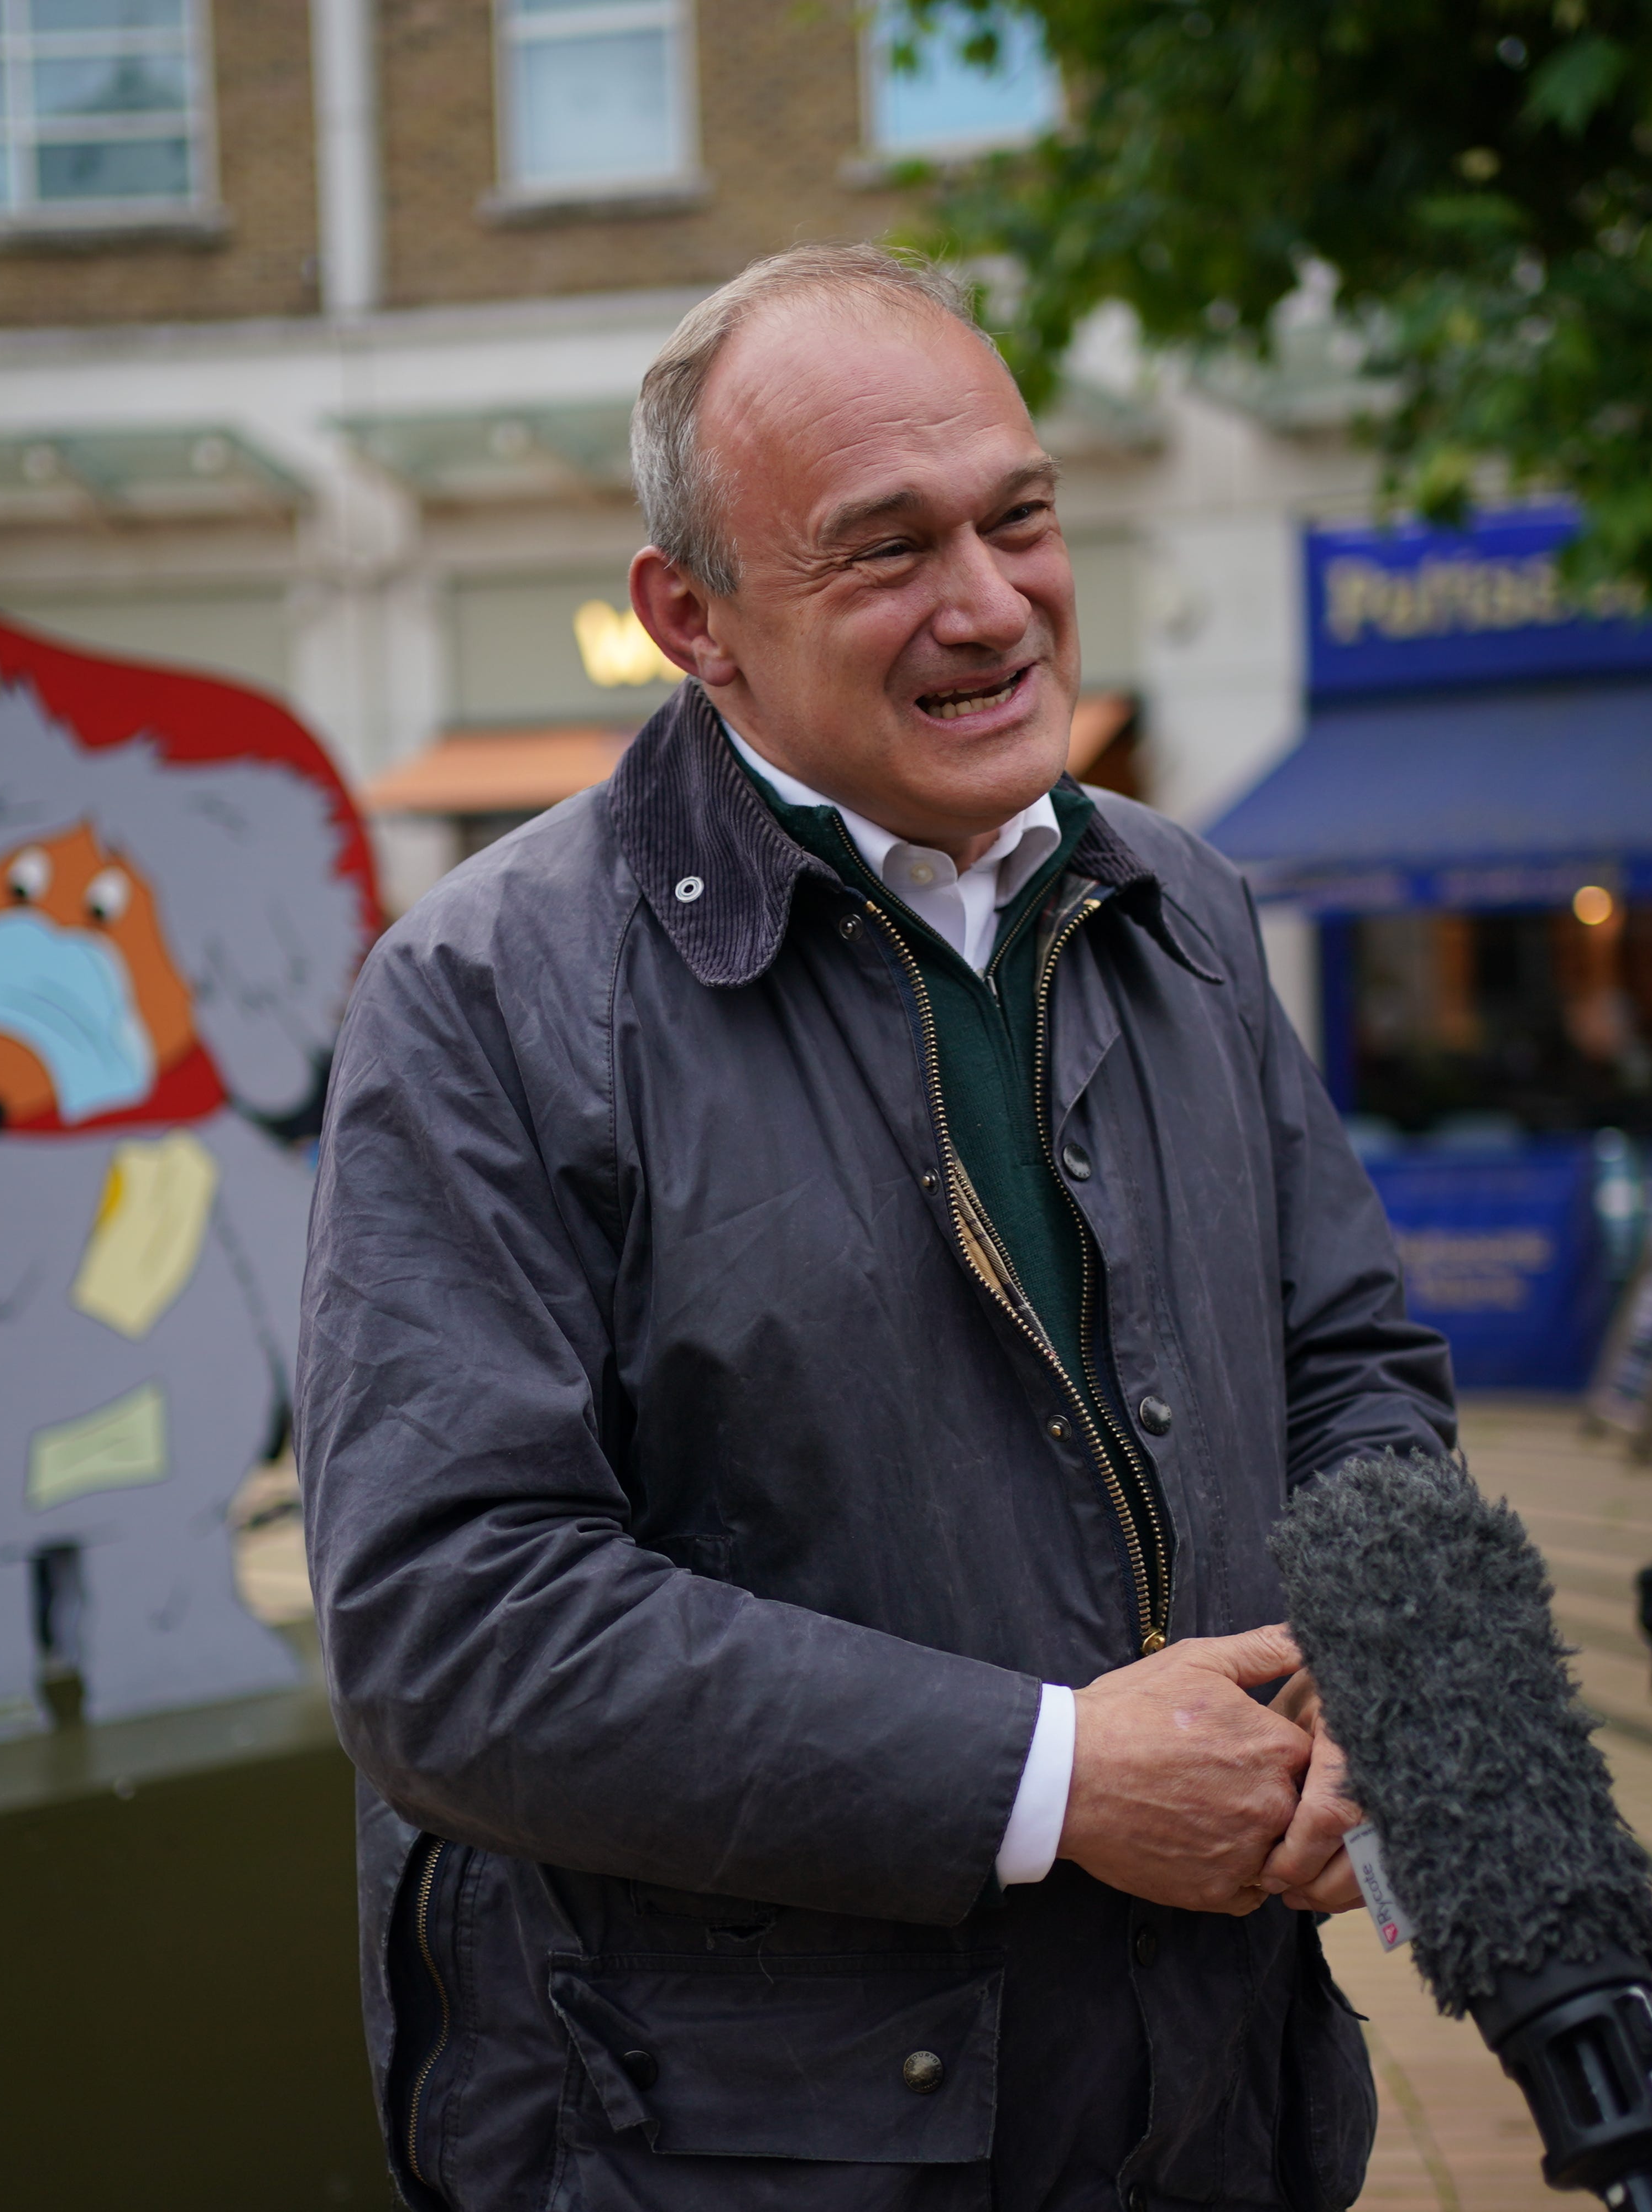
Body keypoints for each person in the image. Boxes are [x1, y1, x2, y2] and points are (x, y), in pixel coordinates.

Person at [296, 243, 1454, 2210]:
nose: (991, 605)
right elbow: (449, 1626)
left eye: (1018, 516)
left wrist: (1375, 1669)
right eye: (884, 547)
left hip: (1215, 2097)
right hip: (740, 2146)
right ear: (693, 616)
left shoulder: (1176, 901)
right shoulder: (489, 992)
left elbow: (1353, 1367)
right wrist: (1053, 1776)